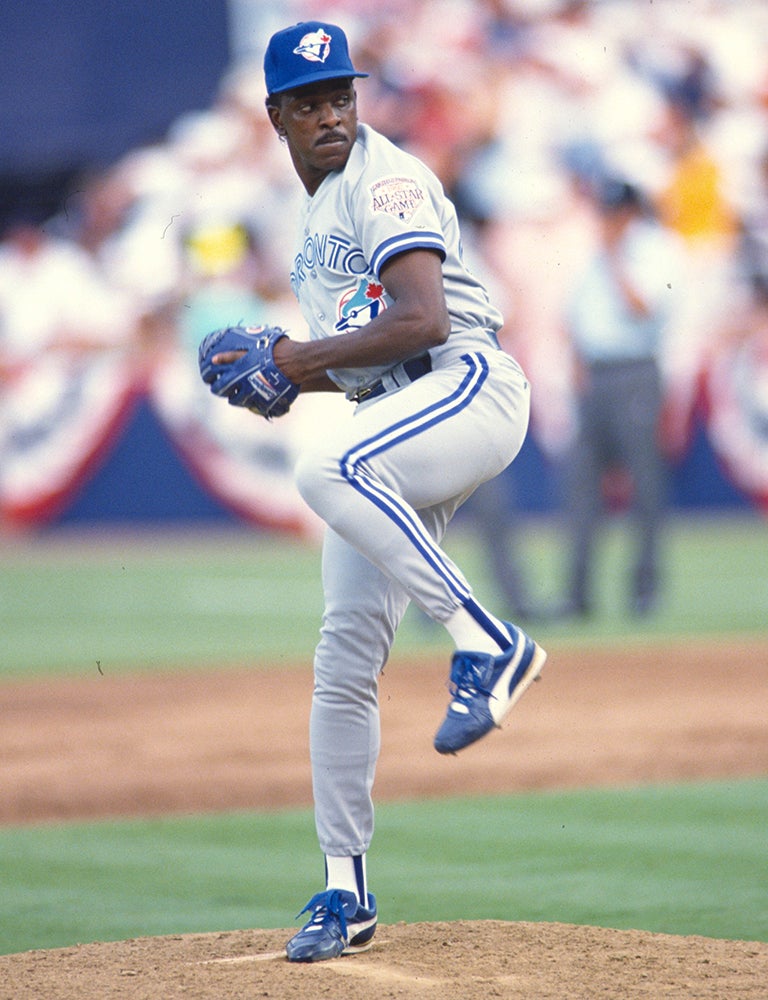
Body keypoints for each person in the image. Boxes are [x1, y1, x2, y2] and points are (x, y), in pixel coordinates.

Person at [210, 21, 546, 963]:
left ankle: (490, 640)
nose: (330, 116)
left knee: (326, 468)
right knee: (343, 660)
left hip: (468, 386)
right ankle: (343, 888)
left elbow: (423, 318)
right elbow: (359, 356)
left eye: (341, 96)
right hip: (396, 417)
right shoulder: (311, 216)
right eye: (309, 103)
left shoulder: (383, 180)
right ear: (276, 116)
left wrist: (290, 356)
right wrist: (284, 379)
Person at [555, 177, 683, 618]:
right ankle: (578, 595)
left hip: (635, 371)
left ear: (631, 212)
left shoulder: (655, 248)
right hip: (596, 376)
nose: (608, 222)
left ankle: (644, 591)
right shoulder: (593, 252)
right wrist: (575, 369)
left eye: (615, 213)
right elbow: (574, 317)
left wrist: (612, 255)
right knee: (582, 487)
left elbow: (643, 308)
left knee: (645, 486)